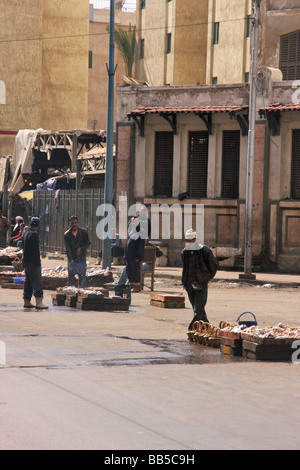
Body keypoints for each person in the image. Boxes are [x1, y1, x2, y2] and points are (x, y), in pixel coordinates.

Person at [181, 229, 217, 330]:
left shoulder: (205, 251)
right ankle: (208, 329)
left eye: (192, 240)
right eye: (188, 240)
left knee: (198, 311)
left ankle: (191, 329)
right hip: (189, 284)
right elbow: (185, 268)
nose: (190, 242)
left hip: (201, 284)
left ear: (195, 239)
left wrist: (205, 277)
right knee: (200, 311)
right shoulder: (184, 252)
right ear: (185, 240)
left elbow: (213, 266)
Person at [22, 217, 48, 309]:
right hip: (33, 262)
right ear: (38, 225)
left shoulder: (25, 233)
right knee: (37, 281)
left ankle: (26, 300)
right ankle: (39, 301)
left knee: (28, 282)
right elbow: (35, 251)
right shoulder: (34, 235)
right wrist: (38, 262)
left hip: (26, 261)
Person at [64, 216, 90, 288]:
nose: (74, 224)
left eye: (75, 223)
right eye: (72, 223)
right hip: (73, 259)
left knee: (82, 277)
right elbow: (68, 249)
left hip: (81, 258)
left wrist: (81, 248)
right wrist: (71, 260)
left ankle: (80, 292)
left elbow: (88, 243)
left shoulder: (83, 232)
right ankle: (70, 294)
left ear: (77, 223)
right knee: (71, 277)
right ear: (70, 223)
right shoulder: (67, 235)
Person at [124, 216, 145, 292]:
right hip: (129, 255)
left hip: (135, 255)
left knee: (135, 270)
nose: (133, 223)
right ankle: (131, 285)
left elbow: (140, 246)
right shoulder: (132, 230)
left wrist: (138, 256)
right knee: (129, 270)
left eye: (135, 221)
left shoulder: (141, 231)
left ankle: (136, 287)